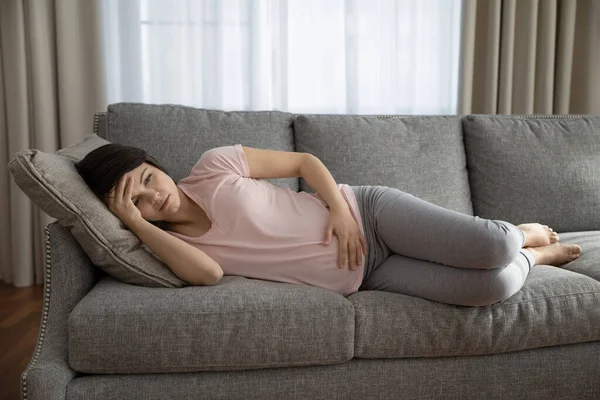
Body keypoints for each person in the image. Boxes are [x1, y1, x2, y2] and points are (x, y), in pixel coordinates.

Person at [75, 143, 583, 307]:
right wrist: (137, 226)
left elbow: (303, 163)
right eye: (135, 200)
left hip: (368, 213)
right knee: (493, 287)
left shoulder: (215, 166)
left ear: (156, 163)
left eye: (146, 177)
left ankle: (520, 232)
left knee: (492, 247)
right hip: (364, 275)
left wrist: (339, 210)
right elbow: (207, 275)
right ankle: (535, 256)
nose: (152, 194)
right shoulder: (170, 243)